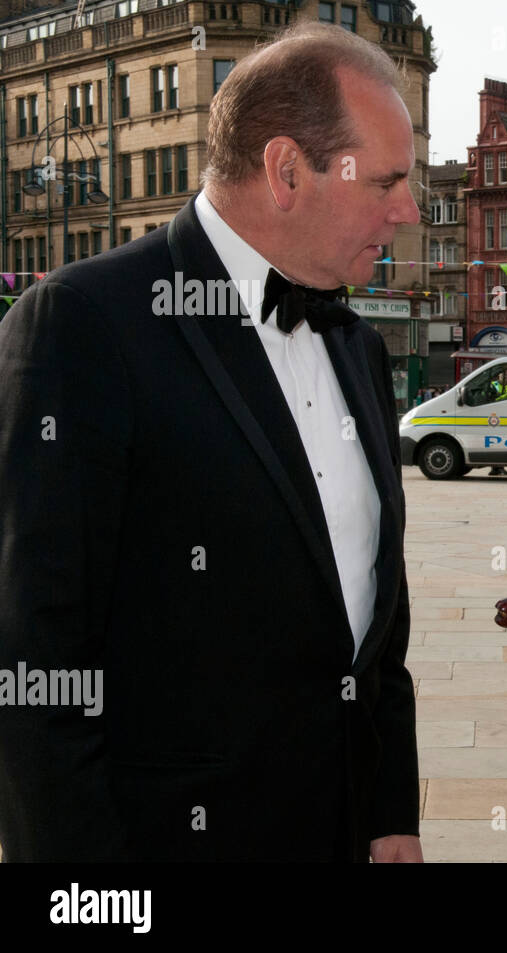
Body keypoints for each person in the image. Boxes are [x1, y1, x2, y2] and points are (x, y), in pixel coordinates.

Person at [0, 24, 422, 862]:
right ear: (286, 171)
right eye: (386, 182)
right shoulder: (84, 325)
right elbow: (34, 662)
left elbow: (380, 631)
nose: (408, 210)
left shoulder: (358, 344)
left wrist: (389, 812)